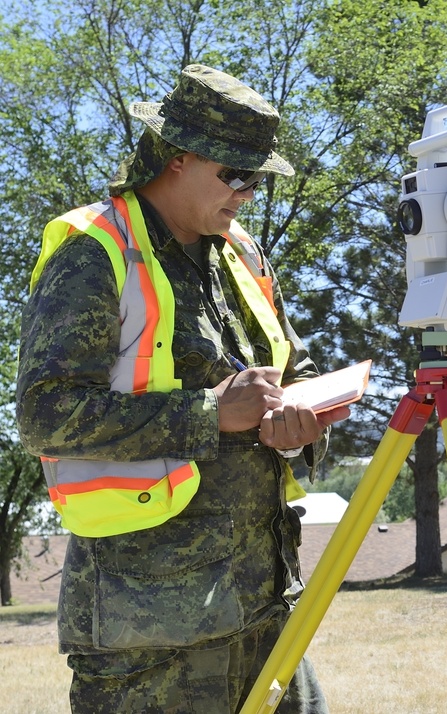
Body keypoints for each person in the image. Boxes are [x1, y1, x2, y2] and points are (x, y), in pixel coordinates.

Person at [16, 64, 346, 713]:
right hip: (150, 639)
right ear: (178, 156)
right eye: (236, 174)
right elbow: (43, 413)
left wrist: (300, 421)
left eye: (258, 177)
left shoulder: (243, 255)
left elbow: (294, 368)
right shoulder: (93, 251)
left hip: (266, 613)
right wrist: (207, 413)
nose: (248, 193)